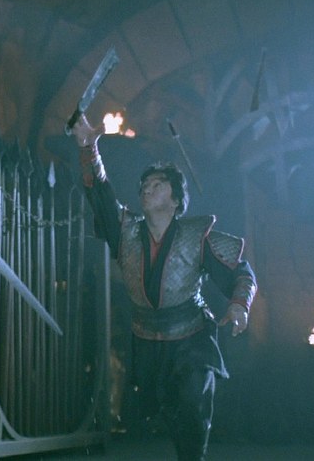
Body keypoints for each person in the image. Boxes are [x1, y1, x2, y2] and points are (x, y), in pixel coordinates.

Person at [71, 116, 256, 460]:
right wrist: (88, 148)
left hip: (192, 338)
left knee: (192, 403)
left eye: (157, 184)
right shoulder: (126, 231)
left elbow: (241, 273)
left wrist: (238, 305)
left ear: (175, 199)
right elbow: (100, 195)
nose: (146, 188)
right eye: (144, 185)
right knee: (166, 414)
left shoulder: (197, 235)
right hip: (147, 340)